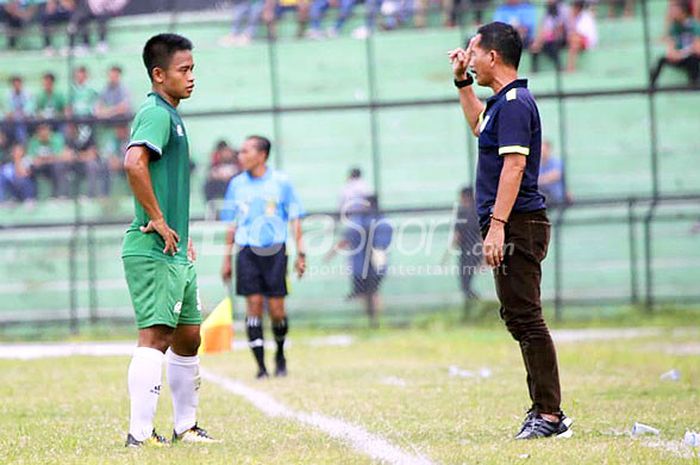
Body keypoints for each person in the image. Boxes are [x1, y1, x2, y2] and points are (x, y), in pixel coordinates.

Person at [449, 22, 572, 439]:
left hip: (518, 221)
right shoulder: (502, 103)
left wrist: (497, 225)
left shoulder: (517, 102)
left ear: (493, 56)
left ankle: (550, 416)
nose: (469, 57)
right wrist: (462, 81)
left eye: (473, 52)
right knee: (519, 316)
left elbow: (515, 166)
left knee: (527, 318)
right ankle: (544, 410)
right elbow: (478, 128)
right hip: (511, 221)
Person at [121, 33, 218, 447]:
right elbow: (133, 162)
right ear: (159, 75)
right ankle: (140, 436)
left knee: (189, 334)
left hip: (177, 248)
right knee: (156, 336)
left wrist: (180, 231)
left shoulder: (172, 115)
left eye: (193, 68)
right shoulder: (156, 113)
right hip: (153, 247)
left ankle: (186, 427)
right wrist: (158, 220)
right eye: (184, 70)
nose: (191, 77)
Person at [220, 135, 306, 379]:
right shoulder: (236, 184)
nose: (241, 155)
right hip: (247, 251)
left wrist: (301, 252)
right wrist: (227, 259)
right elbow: (231, 224)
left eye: (246, 151)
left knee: (277, 310)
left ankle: (279, 354)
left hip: (275, 251)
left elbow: (295, 217)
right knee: (254, 306)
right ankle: (260, 367)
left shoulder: (281, 182)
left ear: (262, 155)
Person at [328, 194, 392, 327]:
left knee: (369, 292)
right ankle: (373, 320)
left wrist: (332, 252)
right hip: (369, 264)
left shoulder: (360, 220)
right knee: (371, 292)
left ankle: (373, 320)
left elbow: (347, 239)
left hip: (363, 265)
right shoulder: (381, 220)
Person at [650, 0, 700, 87]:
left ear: (683, 12)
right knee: (661, 60)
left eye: (675, 10)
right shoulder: (674, 26)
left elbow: (697, 46)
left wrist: (686, 52)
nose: (672, 13)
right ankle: (652, 85)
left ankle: (694, 82)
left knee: (693, 59)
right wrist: (675, 54)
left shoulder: (694, 25)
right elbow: (671, 45)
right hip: (679, 56)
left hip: (691, 55)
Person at [25, 123, 72, 198]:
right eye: (41, 129)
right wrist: (47, 159)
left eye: (45, 129)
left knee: (58, 166)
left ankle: (59, 195)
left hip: (54, 166)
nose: (43, 132)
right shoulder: (34, 140)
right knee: (30, 168)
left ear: (49, 129)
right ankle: (31, 197)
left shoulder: (56, 138)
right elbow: (31, 158)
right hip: (41, 167)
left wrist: (44, 159)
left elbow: (61, 156)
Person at [452, 186, 482, 305]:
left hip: (469, 251)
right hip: (473, 250)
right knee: (466, 281)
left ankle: (473, 302)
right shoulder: (478, 210)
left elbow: (457, 235)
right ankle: (472, 302)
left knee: (465, 281)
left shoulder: (463, 211)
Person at [530, 0, 569, 72]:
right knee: (535, 44)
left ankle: (559, 66)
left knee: (550, 44)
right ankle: (534, 70)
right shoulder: (548, 11)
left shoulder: (563, 8)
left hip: (563, 37)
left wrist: (549, 34)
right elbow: (544, 27)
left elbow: (562, 27)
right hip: (550, 37)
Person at [565, 0, 597, 72]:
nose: (572, 9)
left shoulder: (586, 17)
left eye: (574, 7)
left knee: (574, 40)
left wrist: (572, 21)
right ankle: (569, 67)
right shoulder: (575, 18)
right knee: (572, 39)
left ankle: (570, 67)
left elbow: (581, 34)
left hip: (588, 41)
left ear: (578, 8)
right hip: (579, 39)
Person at [5, 75, 33, 145]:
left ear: (21, 84)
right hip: (12, 121)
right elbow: (8, 112)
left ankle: (22, 144)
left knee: (20, 124)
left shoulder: (28, 94)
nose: (17, 86)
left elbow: (28, 110)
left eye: (18, 84)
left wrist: (21, 113)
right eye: (15, 84)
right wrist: (14, 114)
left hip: (26, 121)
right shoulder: (8, 95)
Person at [538, 140, 566, 206]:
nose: (542, 153)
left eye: (544, 150)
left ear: (549, 150)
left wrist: (541, 180)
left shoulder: (556, 162)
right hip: (542, 195)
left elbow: (555, 176)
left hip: (555, 195)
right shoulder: (537, 164)